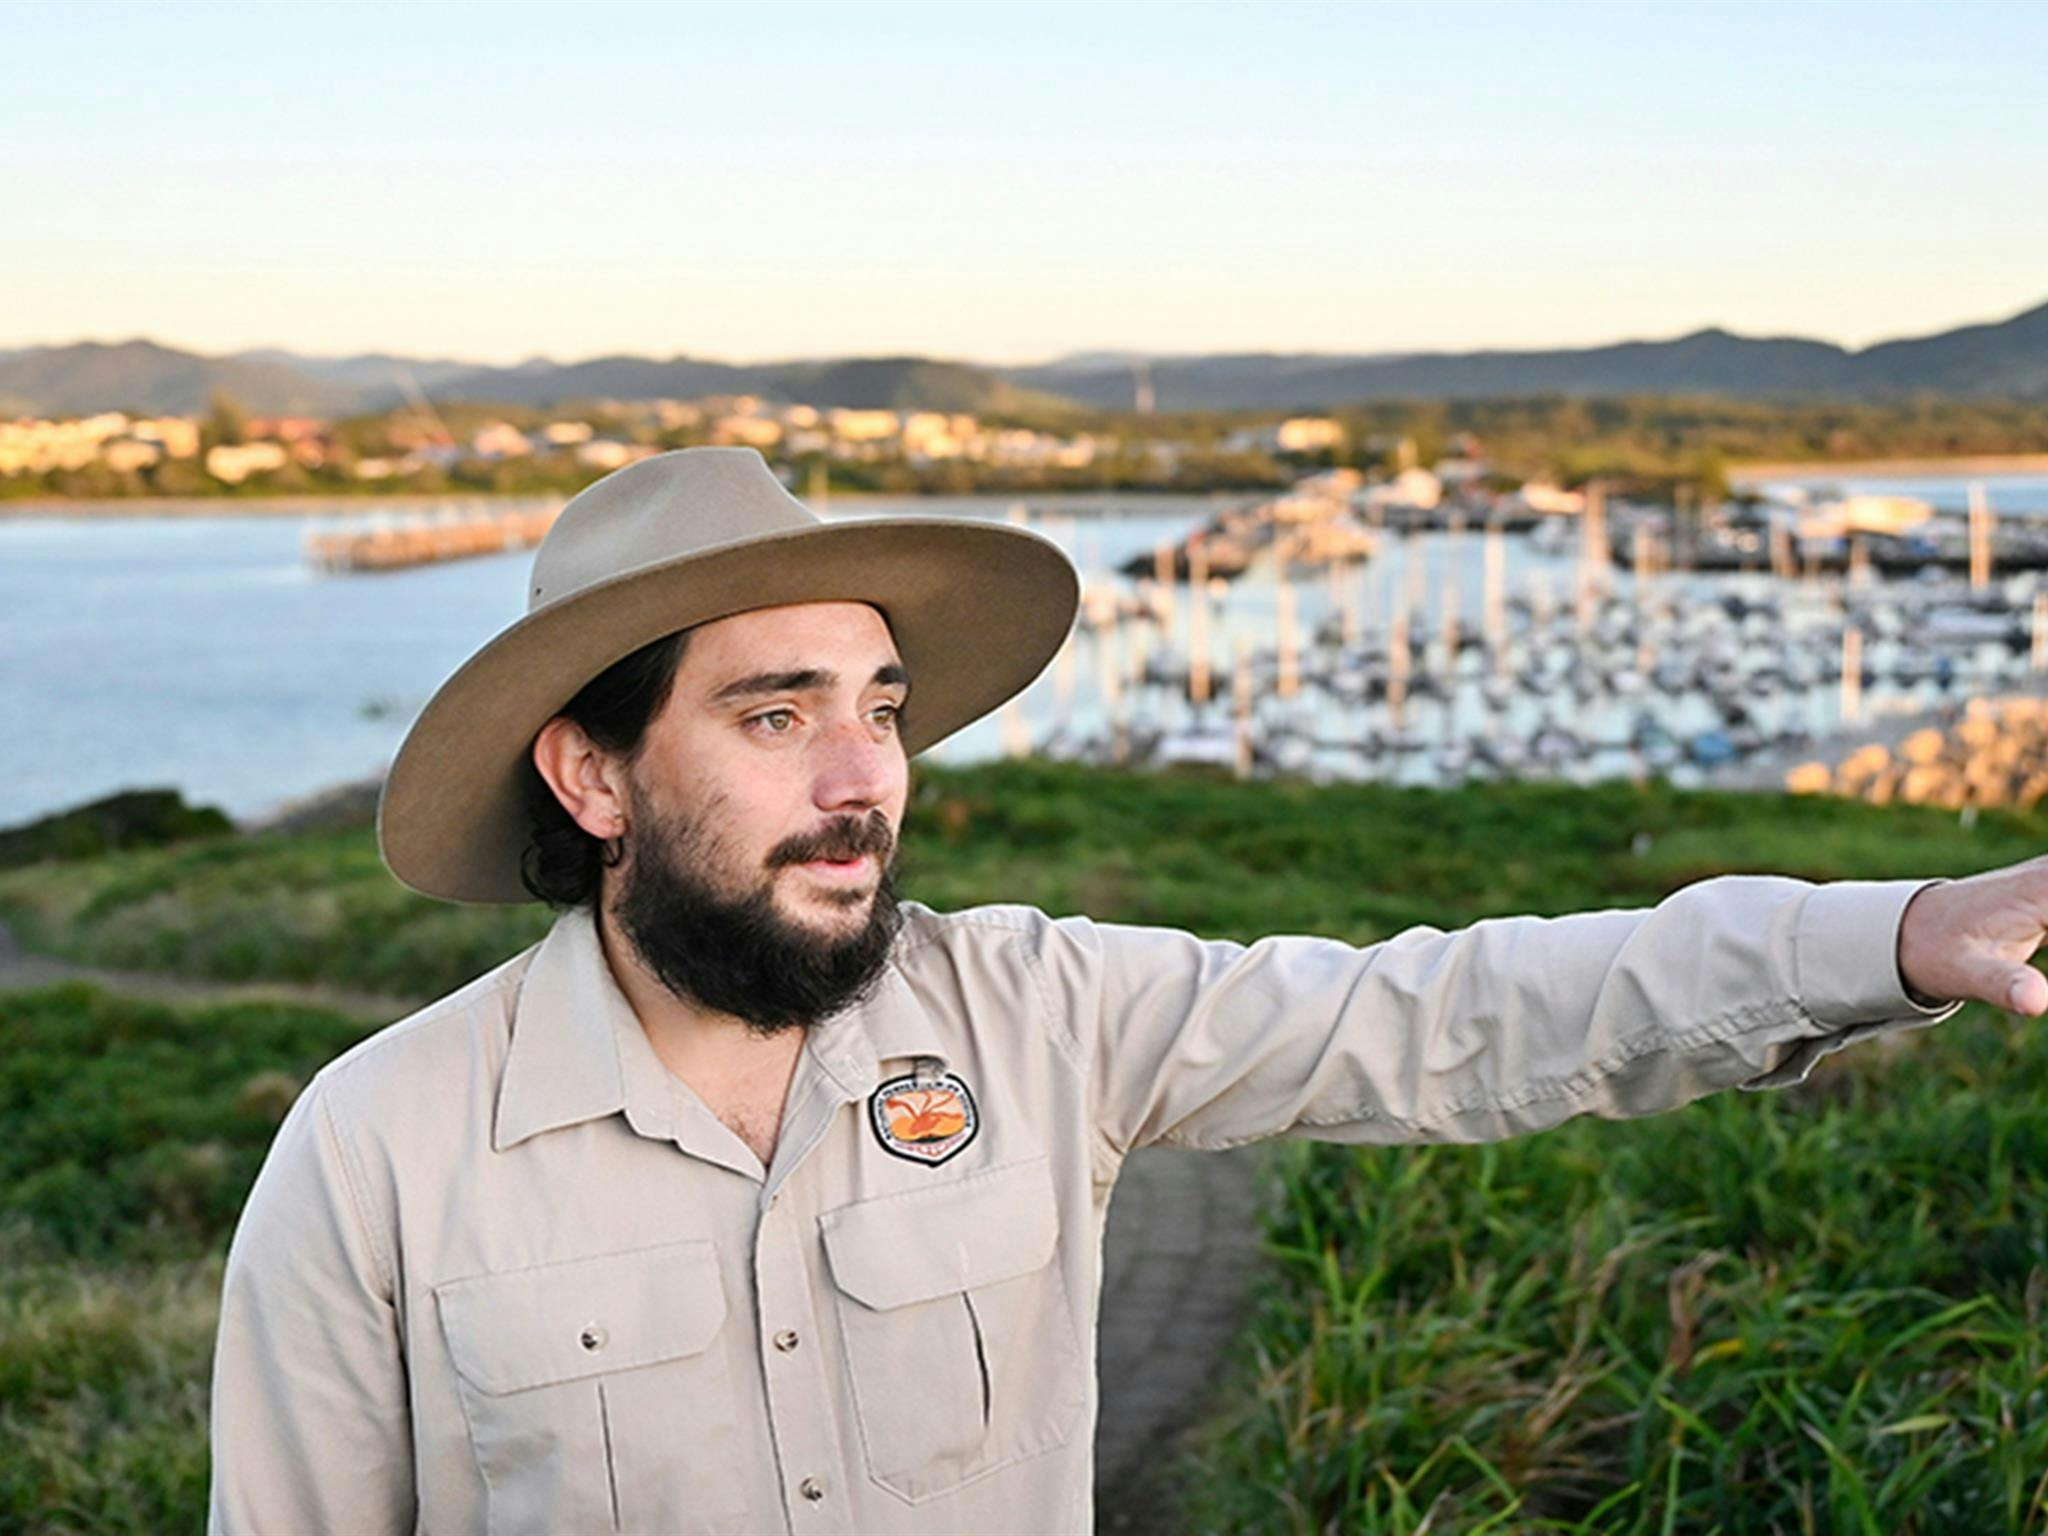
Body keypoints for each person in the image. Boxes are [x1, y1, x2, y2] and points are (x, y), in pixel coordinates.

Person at [209, 447, 2044, 1536]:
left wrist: (1886, 937)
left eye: (883, 709)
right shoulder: (378, 1150)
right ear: (592, 779)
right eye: (776, 716)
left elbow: (1455, 1012)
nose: (866, 780)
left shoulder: (1041, 1011)